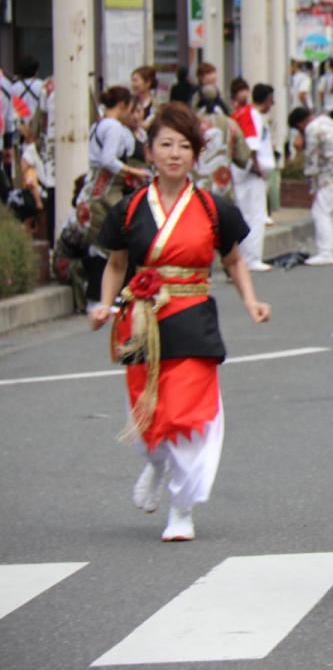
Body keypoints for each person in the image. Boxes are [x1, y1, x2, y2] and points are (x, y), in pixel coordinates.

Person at [89, 102, 270, 541]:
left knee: (187, 416)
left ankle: (182, 510)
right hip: (140, 321)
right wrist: (103, 305)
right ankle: (154, 463)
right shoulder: (130, 209)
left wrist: (251, 301)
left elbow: (233, 260)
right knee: (148, 422)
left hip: (192, 318)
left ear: (195, 154)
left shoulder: (212, 208)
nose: (174, 154)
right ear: (149, 152)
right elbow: (116, 264)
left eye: (184, 146)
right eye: (165, 145)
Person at [78, 87, 152, 311]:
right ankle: (99, 297)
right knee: (108, 246)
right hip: (105, 192)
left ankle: (99, 298)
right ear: (122, 105)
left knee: (103, 245)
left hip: (96, 190)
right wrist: (133, 171)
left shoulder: (99, 124)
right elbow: (108, 159)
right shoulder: (113, 127)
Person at [289, 106, 333, 265]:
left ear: (299, 124)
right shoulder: (326, 121)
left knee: (320, 212)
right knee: (328, 211)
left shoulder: (312, 129)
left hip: (330, 176)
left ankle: (326, 252)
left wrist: (309, 179)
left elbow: (312, 158)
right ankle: (331, 249)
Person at [231, 84, 277, 272]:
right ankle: (251, 257)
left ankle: (246, 256)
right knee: (255, 215)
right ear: (267, 100)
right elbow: (252, 146)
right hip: (250, 173)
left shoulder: (243, 114)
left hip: (243, 172)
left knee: (247, 214)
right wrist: (256, 169)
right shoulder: (251, 115)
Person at [193, 87, 251, 203]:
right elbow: (243, 156)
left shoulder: (191, 124)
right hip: (222, 187)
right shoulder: (230, 124)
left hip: (195, 188)